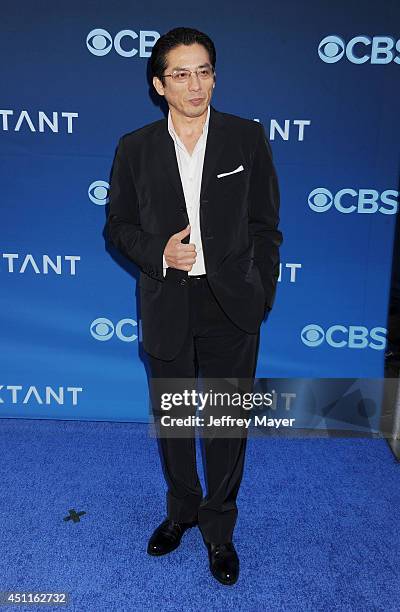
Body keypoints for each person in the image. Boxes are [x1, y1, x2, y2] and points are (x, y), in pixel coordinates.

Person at [106, 26, 282, 586]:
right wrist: (158, 252)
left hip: (232, 305)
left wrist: (261, 294)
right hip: (168, 300)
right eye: (181, 74)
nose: (195, 84)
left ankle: (219, 529)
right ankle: (181, 512)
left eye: (204, 70)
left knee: (227, 424)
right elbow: (117, 227)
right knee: (176, 422)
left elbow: (265, 226)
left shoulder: (246, 138)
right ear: (159, 85)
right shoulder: (134, 147)